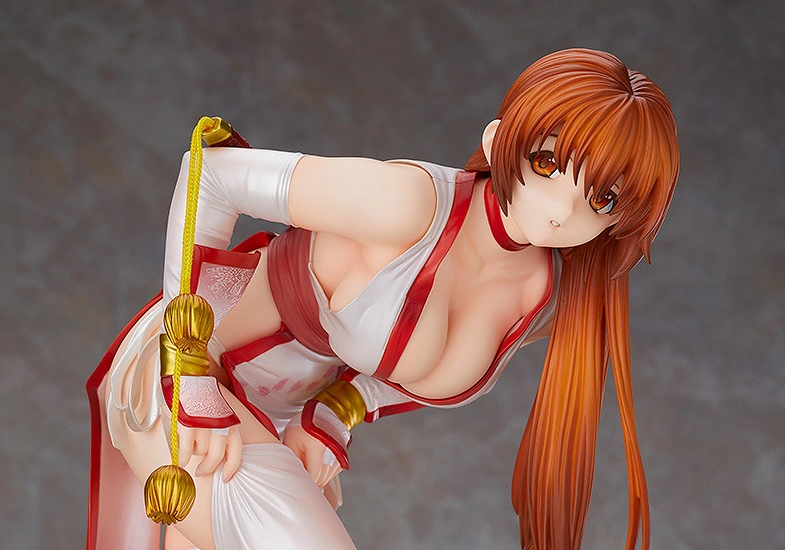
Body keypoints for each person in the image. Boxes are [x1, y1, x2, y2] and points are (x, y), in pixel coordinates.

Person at [86, 48, 679, 550]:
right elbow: (210, 175)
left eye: (601, 199)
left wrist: (336, 411)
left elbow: (401, 376)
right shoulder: (409, 205)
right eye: (548, 163)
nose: (561, 211)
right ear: (500, 139)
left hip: (282, 426)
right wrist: (189, 379)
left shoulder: (546, 300)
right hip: (185, 381)